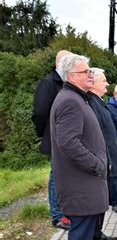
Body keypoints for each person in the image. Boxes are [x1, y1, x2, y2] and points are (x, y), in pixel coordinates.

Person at [50, 54, 110, 240]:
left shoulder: (76, 98)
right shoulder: (69, 101)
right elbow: (68, 143)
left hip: (85, 180)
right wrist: (96, 164)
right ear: (71, 76)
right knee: (81, 232)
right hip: (80, 181)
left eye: (90, 71)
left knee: (87, 229)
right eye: (86, 72)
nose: (90, 75)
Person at [32, 49, 72, 230]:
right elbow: (39, 112)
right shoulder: (48, 84)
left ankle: (67, 212)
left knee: (65, 177)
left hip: (67, 139)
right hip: (54, 138)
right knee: (56, 176)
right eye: (69, 63)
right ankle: (57, 215)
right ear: (60, 64)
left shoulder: (66, 83)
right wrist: (46, 133)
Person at [88, 68, 117, 240]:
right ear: (93, 83)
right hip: (103, 158)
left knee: (103, 199)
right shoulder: (92, 103)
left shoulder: (99, 102)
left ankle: (99, 233)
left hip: (108, 155)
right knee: (100, 201)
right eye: (104, 81)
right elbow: (97, 135)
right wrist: (105, 159)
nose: (107, 84)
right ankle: (95, 237)